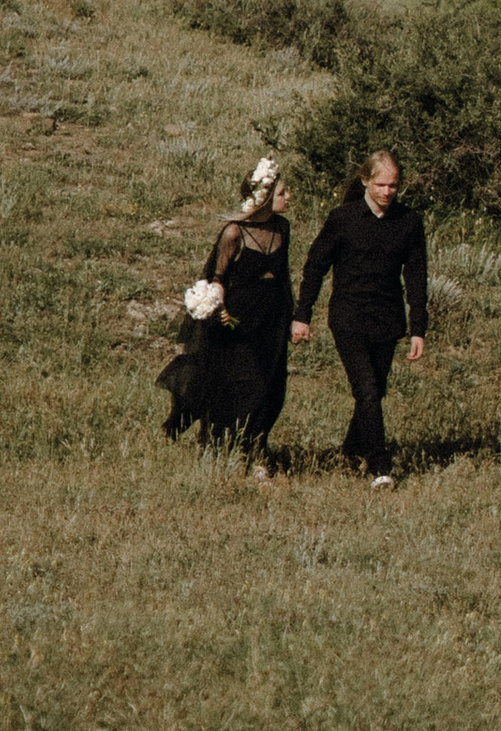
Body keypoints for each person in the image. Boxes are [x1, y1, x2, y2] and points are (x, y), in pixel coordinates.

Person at [290, 146, 425, 486]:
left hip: (387, 319)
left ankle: (351, 451)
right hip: (348, 317)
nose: (388, 192)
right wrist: (302, 315)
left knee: (375, 391)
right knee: (365, 389)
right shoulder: (343, 219)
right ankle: (380, 465)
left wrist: (418, 328)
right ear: (365, 180)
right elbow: (315, 267)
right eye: (381, 185)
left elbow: (416, 278)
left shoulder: (409, 222)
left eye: (394, 186)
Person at [159, 159, 296, 476]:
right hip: (238, 319)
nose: (288, 199)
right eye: (283, 193)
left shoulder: (282, 229)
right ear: (263, 197)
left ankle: (257, 450)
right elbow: (217, 276)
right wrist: (219, 309)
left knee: (272, 385)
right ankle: (221, 448)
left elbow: (284, 275)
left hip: (271, 315)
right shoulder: (234, 233)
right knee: (242, 385)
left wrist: (291, 316)